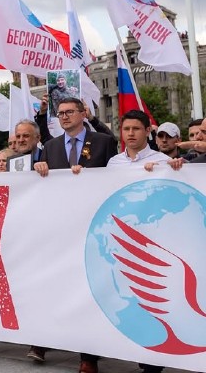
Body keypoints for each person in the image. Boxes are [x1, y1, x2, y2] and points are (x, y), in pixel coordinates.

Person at [30, 97, 117, 372]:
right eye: (61, 113)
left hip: (94, 226)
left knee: (88, 290)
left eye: (70, 112)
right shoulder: (52, 147)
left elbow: (116, 176)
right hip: (61, 229)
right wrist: (39, 168)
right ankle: (45, 340)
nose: (65, 117)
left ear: (83, 114)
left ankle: (88, 357)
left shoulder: (102, 142)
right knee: (58, 286)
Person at [106, 111, 182, 373]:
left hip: (153, 239)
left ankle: (154, 359)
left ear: (147, 131)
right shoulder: (114, 163)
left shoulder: (162, 160)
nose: (130, 134)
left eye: (136, 129)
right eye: (126, 129)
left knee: (153, 299)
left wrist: (173, 171)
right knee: (128, 298)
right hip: (121, 239)